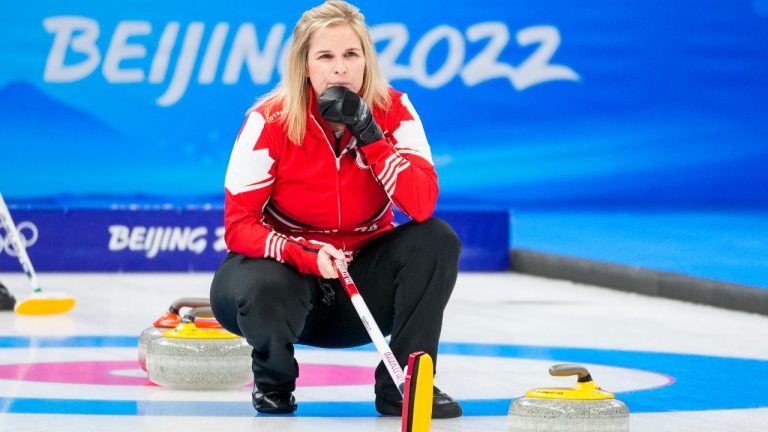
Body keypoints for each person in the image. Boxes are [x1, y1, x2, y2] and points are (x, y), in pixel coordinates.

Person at [210, 0, 461, 418]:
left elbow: (420, 205)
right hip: (293, 283)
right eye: (325, 56)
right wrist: (304, 254)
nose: (340, 68)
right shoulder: (268, 121)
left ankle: (405, 384)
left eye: (351, 54)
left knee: (436, 239)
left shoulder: (395, 110)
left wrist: (371, 136)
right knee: (260, 283)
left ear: (366, 60)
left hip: (361, 286)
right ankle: (274, 381)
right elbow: (239, 228)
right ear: (305, 65)